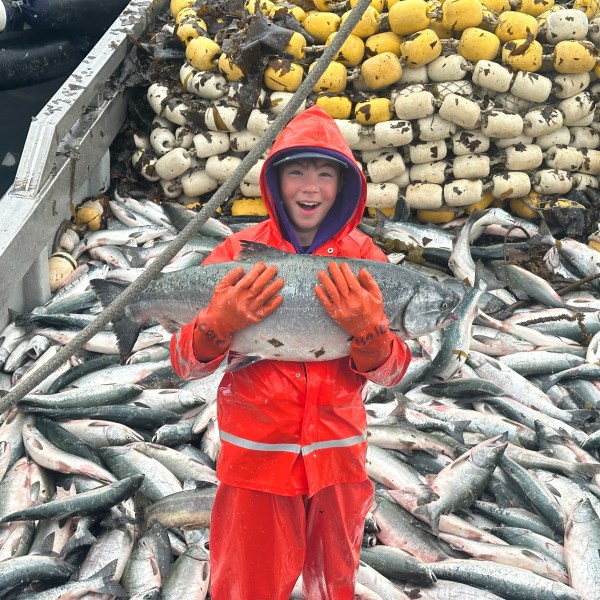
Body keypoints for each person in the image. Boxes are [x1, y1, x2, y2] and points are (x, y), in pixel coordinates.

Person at [170, 105, 412, 599]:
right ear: (274, 181)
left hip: (339, 464)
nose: (310, 188)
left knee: (333, 588)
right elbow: (183, 363)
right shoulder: (236, 254)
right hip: (254, 465)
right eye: (297, 171)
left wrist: (371, 335)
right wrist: (217, 327)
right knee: (246, 589)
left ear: (344, 187)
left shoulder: (367, 262)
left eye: (325, 174)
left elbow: (393, 372)